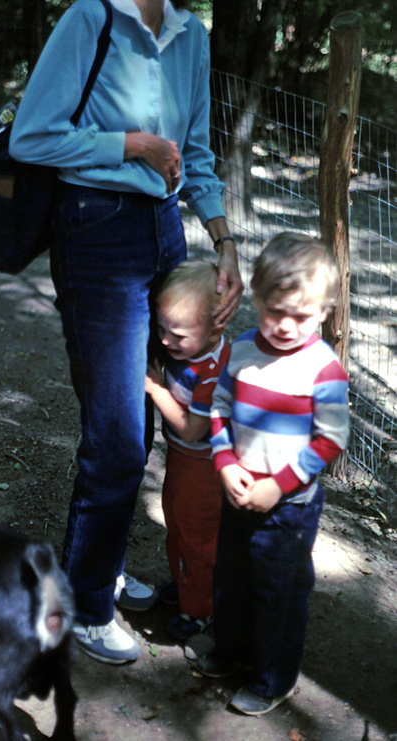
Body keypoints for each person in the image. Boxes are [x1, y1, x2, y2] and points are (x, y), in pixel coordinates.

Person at [9, 0, 243, 665]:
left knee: (141, 418)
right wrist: (132, 145)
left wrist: (222, 240)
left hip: (165, 231)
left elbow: (193, 151)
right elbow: (32, 135)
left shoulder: (190, 33)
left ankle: (99, 564)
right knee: (115, 429)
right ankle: (84, 604)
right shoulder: (91, 18)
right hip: (96, 227)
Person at [197, 233, 350, 714]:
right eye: (274, 311)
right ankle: (232, 652)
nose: (285, 326)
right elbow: (218, 408)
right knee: (232, 578)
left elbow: (329, 440)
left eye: (301, 316)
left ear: (324, 312)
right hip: (238, 489)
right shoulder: (242, 349)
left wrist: (276, 486)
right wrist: (224, 463)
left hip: (288, 508)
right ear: (257, 299)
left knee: (278, 592)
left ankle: (272, 678)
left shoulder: (323, 370)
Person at [145, 260, 230, 640]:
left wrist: (156, 390)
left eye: (177, 334)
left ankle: (200, 610)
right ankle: (184, 587)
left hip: (205, 469)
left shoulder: (214, 372)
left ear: (217, 326)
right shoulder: (186, 352)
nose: (165, 341)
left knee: (197, 538)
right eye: (161, 329)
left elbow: (194, 430)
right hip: (181, 461)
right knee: (175, 525)